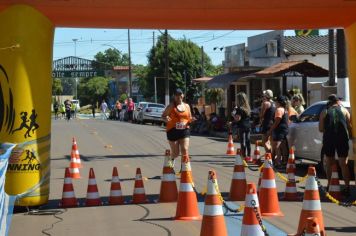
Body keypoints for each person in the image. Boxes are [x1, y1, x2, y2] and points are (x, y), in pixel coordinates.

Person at [319, 94, 352, 196]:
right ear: (337, 101)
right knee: (344, 164)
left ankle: (330, 185)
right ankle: (347, 187)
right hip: (342, 139)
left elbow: (320, 129)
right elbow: (349, 126)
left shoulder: (324, 112)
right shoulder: (344, 110)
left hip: (329, 139)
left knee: (330, 162)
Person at [162, 89, 193, 161]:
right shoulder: (171, 106)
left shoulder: (187, 106)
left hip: (184, 130)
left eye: (180, 94)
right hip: (172, 130)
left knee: (185, 150)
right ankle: (170, 163)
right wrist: (166, 118)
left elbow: (189, 118)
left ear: (183, 95)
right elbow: (163, 116)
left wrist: (192, 120)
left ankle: (184, 170)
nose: (179, 96)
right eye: (177, 95)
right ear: (174, 96)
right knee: (176, 153)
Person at [267, 96, 289, 168]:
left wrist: (270, 130)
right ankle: (285, 161)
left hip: (279, 130)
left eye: (276, 101)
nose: (275, 103)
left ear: (278, 102)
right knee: (283, 146)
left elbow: (277, 122)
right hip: (284, 129)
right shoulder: (285, 109)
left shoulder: (279, 110)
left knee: (277, 146)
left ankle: (278, 162)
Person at [232, 92, 251, 159]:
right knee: (248, 140)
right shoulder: (248, 107)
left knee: (242, 141)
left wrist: (233, 115)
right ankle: (249, 155)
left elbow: (238, 118)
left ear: (239, 100)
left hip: (241, 126)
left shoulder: (239, 109)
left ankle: (244, 156)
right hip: (248, 126)